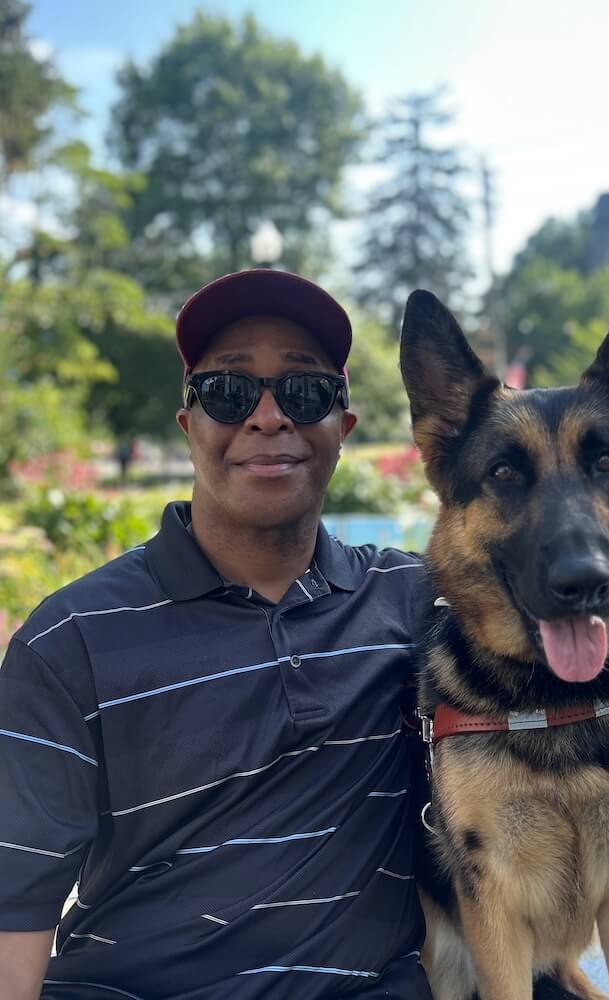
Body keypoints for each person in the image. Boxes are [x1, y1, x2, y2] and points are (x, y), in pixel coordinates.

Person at [0, 269, 433, 999]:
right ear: (189, 424)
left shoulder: (413, 601)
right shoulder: (71, 639)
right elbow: (16, 897)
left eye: (304, 392)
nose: (268, 418)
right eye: (230, 393)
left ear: (342, 428)